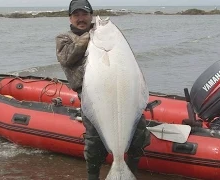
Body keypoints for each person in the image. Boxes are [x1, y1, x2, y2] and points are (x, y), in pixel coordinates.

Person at [56, 0, 151, 179]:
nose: (81, 18)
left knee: (139, 134)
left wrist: (99, 32)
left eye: (84, 14)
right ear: (70, 18)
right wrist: (92, 35)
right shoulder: (65, 38)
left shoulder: (101, 33)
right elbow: (67, 58)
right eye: (76, 15)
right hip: (94, 97)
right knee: (93, 142)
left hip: (120, 94)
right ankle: (94, 177)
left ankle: (129, 172)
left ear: (90, 15)